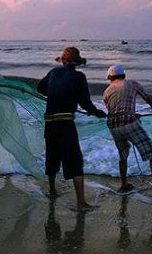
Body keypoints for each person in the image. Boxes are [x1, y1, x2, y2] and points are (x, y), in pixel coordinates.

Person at [37, 47, 106, 211]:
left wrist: (55, 92)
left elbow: (40, 88)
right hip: (65, 123)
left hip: (50, 124)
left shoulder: (53, 73)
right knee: (75, 161)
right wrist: (96, 112)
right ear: (77, 62)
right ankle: (81, 203)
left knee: (52, 157)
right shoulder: (78, 76)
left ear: (62, 60)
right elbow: (84, 102)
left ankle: (52, 190)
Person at [102, 64, 152, 203]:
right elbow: (148, 97)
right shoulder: (132, 83)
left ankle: (124, 185)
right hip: (129, 122)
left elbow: (114, 109)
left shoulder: (106, 91)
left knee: (123, 155)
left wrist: (131, 113)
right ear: (124, 75)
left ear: (110, 77)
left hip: (113, 125)